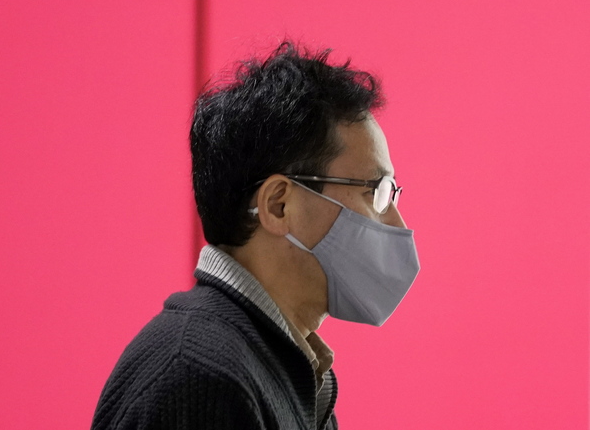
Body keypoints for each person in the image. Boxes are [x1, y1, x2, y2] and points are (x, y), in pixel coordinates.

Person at [90, 42, 420, 430]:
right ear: (279, 205)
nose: (397, 224)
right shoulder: (201, 379)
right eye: (376, 193)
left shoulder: (289, 367)